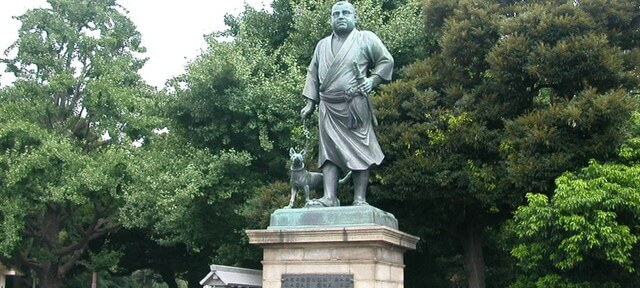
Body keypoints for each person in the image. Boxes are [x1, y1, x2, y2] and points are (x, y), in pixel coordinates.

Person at [300, 1, 393, 207]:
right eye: (336, 14)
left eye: (345, 13)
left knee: (361, 148)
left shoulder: (365, 38)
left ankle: (360, 199)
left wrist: (372, 80)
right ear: (331, 19)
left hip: (354, 104)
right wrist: (310, 103)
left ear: (354, 17)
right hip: (328, 107)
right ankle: (329, 197)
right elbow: (312, 74)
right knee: (329, 151)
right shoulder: (322, 45)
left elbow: (386, 61)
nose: (340, 16)